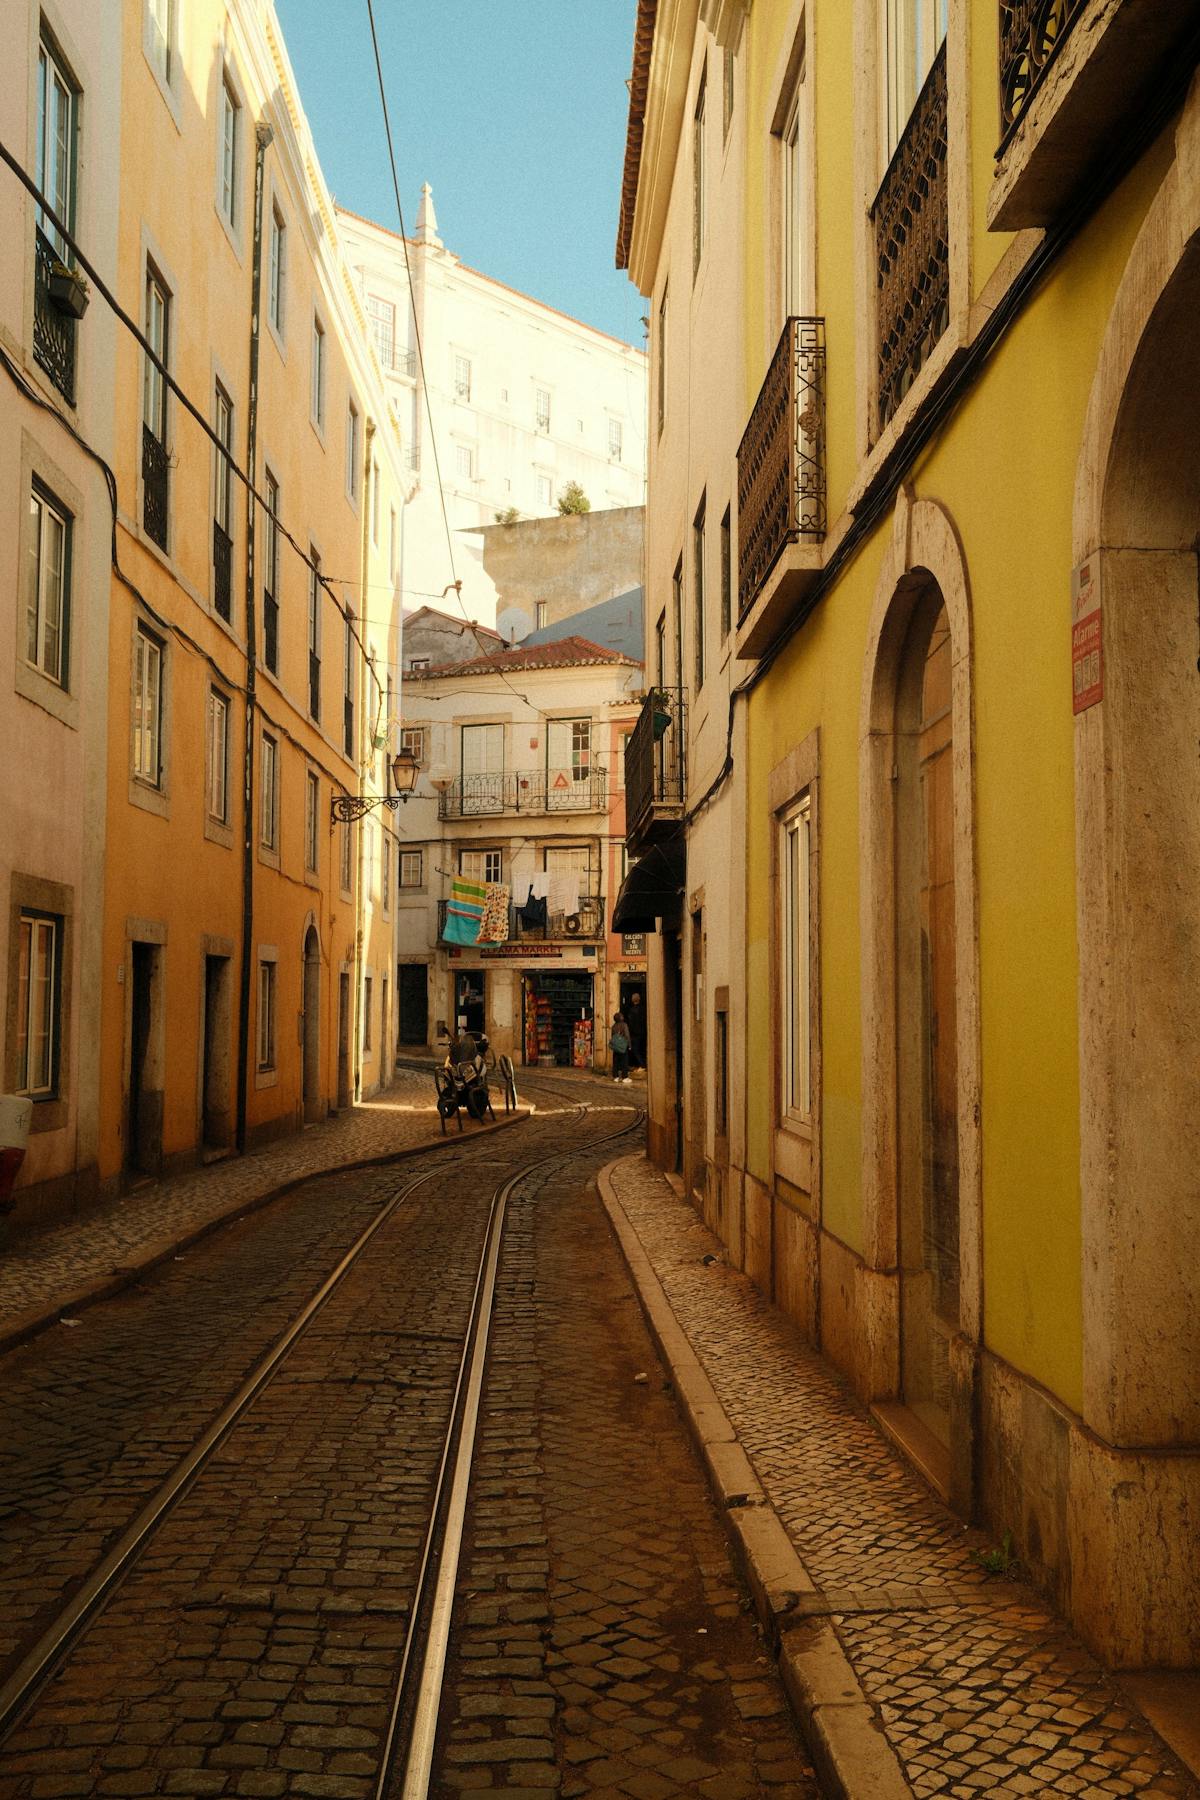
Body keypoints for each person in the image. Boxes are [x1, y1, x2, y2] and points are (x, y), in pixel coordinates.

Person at [626, 990, 646, 1070]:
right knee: (640, 1049)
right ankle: (640, 1064)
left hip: (635, 1033)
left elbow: (631, 1023)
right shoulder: (643, 1009)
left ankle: (642, 1065)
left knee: (634, 1049)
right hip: (642, 1032)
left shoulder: (632, 1010)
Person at [610, 1012, 632, 1084]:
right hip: (623, 1046)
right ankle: (625, 1077)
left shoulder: (613, 1026)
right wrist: (629, 1045)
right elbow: (627, 1035)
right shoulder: (624, 1025)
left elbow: (613, 1036)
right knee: (624, 1061)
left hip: (616, 1046)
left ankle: (615, 1077)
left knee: (615, 1061)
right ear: (621, 1018)